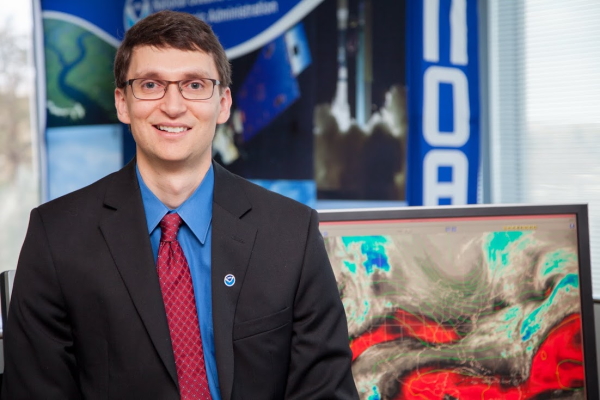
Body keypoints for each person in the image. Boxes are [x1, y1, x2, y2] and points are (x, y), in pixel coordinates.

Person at [1, 10, 358, 400]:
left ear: (222, 104)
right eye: (151, 84)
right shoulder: (57, 236)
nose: (173, 106)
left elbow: (325, 391)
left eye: (194, 85)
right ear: (123, 103)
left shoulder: (292, 232)